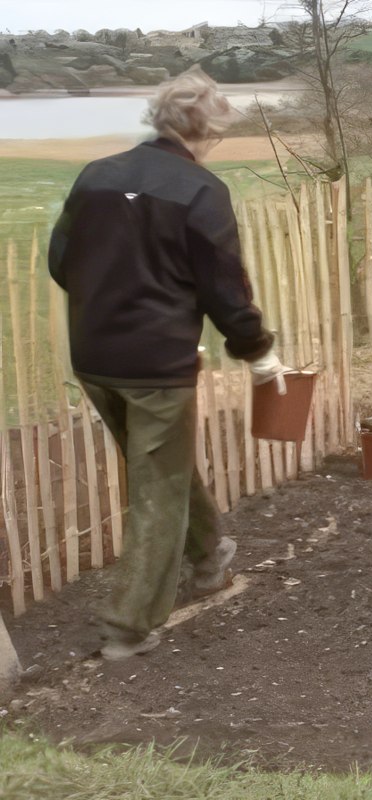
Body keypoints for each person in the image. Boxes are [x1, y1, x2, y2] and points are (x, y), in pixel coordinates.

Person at [48, 67, 287, 661]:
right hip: (155, 367)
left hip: (95, 357)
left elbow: (62, 261)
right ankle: (127, 626)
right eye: (218, 132)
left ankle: (208, 560)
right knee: (156, 485)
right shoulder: (200, 190)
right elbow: (224, 288)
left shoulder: (98, 177)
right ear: (202, 130)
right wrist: (258, 353)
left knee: (161, 464)